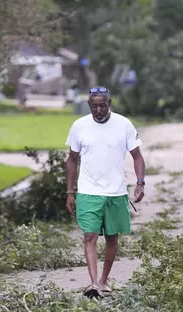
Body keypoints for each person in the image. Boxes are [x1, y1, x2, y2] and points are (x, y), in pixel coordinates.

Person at [64, 86, 146, 298]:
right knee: (89, 235)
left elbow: (137, 156)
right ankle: (93, 283)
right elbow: (72, 160)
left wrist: (140, 183)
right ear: (89, 106)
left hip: (116, 192)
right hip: (88, 192)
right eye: (94, 106)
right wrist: (69, 192)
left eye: (102, 105)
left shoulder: (124, 124)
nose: (98, 110)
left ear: (109, 104)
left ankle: (104, 279)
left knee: (111, 238)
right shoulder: (79, 126)